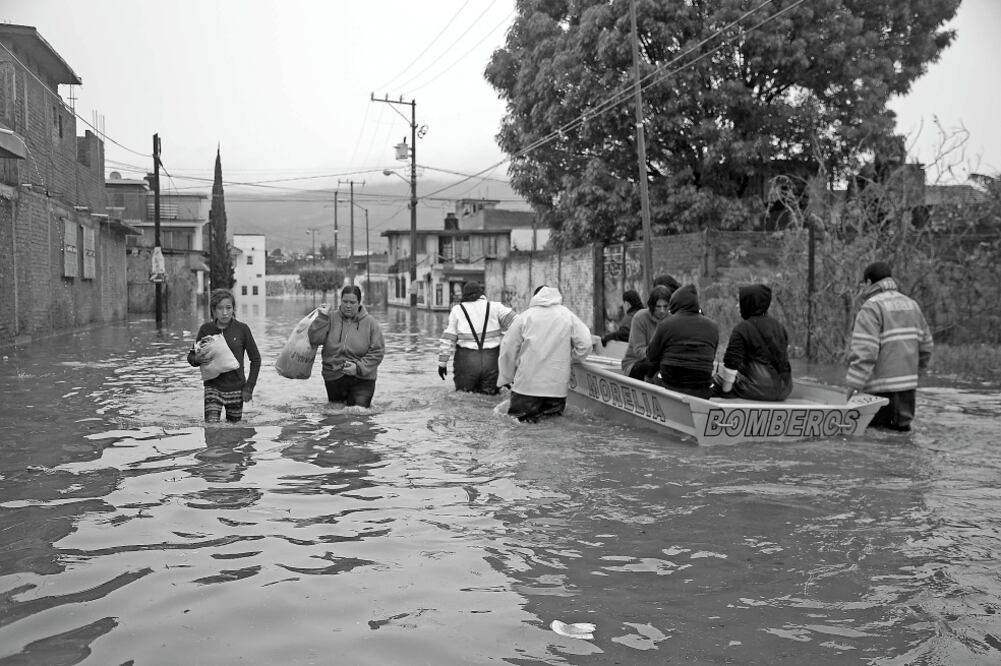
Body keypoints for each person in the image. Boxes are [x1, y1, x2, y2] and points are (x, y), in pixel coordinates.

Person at [845, 261, 933, 431]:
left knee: (876, 442)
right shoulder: (912, 305)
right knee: (901, 436)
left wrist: (854, 386)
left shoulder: (871, 307)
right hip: (908, 391)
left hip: (879, 393)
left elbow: (865, 352)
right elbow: (927, 346)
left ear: (869, 283)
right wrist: (915, 374)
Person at [497, 285, 594, 422]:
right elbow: (586, 344)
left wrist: (507, 377)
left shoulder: (526, 317)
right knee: (552, 427)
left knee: (519, 427)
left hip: (526, 387)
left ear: (535, 297)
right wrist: (570, 359)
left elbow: (508, 348)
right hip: (556, 389)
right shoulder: (568, 316)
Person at [187, 288, 261, 423]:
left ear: (233, 309)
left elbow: (255, 359)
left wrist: (249, 387)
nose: (225, 312)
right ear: (214, 310)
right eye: (220, 308)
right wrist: (197, 359)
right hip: (212, 387)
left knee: (233, 432)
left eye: (228, 307)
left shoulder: (242, 329)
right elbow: (191, 357)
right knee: (211, 427)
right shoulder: (206, 330)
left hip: (237, 389)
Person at [308, 285, 385, 408]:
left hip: (363, 378)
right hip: (333, 376)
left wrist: (358, 368)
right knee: (336, 416)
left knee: (359, 415)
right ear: (340, 300)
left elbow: (378, 352)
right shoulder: (330, 318)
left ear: (359, 303)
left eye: (352, 302)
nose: (348, 305)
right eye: (345, 301)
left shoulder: (371, 323)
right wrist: (321, 318)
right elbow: (314, 339)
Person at [714, 284, 792, 401]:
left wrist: (726, 392)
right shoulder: (779, 327)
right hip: (784, 390)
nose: (737, 306)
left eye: (740, 302)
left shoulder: (742, 328)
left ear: (748, 303)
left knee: (713, 382)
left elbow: (731, 362)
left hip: (757, 388)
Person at [437, 280, 516, 394]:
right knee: (490, 397)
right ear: (481, 294)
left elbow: (448, 339)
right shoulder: (495, 307)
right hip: (492, 360)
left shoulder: (457, 310)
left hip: (466, 361)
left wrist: (442, 363)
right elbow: (518, 324)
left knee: (464, 397)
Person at [645, 284, 719, 398]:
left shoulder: (665, 324)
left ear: (675, 304)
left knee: (650, 374)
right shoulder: (713, 326)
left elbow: (651, 355)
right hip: (702, 388)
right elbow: (712, 356)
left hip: (670, 385)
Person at [621, 285, 673, 379]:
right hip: (635, 363)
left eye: (665, 307)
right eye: (658, 306)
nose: (662, 311)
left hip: (663, 363)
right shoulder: (640, 318)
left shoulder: (671, 319)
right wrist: (661, 357)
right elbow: (639, 351)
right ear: (652, 306)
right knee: (652, 365)